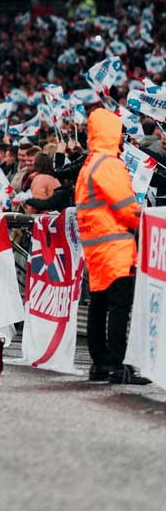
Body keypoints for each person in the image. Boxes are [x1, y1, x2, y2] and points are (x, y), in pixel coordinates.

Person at [75, 108, 149, 386]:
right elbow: (126, 207)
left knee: (99, 305)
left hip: (96, 248)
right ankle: (119, 365)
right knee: (119, 307)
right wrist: (147, 220)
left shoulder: (89, 165)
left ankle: (101, 363)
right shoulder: (109, 164)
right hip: (115, 246)